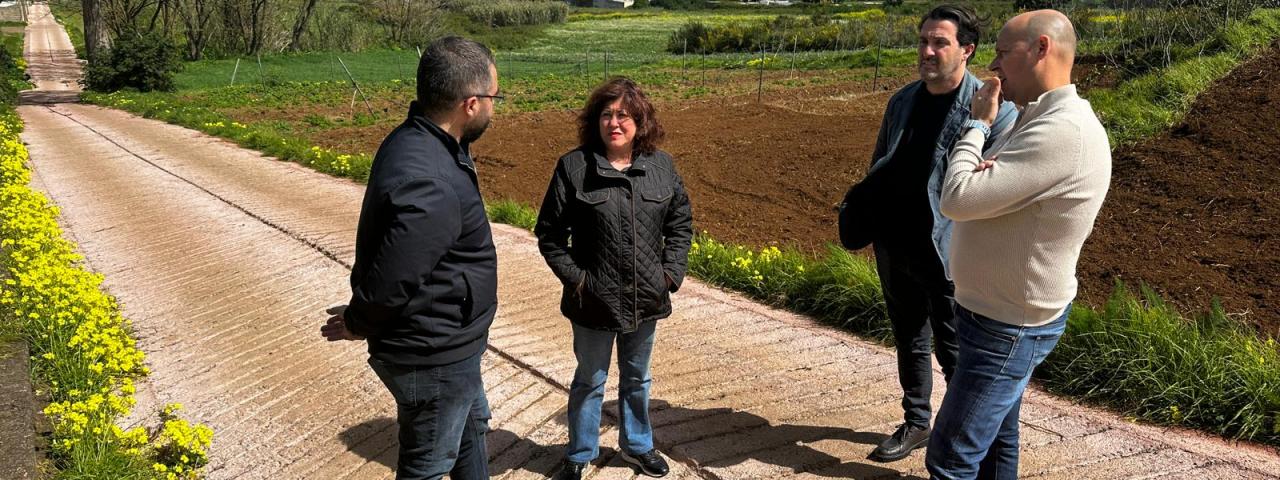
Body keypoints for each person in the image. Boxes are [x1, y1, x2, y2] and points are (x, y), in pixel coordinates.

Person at [928, 10, 1111, 479]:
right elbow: (983, 188)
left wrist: (977, 125)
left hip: (1009, 326)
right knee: (994, 441)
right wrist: (982, 169)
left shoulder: (1062, 132)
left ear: (1041, 49)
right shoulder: (1037, 119)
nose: (994, 65)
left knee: (950, 456)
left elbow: (958, 197)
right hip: (993, 313)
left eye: (1004, 52)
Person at [838, 4, 1017, 463]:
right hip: (896, 245)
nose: (928, 51)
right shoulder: (902, 100)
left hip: (950, 250)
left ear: (967, 50)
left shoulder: (993, 108)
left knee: (956, 346)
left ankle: (961, 437)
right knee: (909, 338)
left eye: (940, 42)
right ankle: (918, 422)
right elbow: (881, 163)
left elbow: (991, 185)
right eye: (923, 41)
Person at [319, 36, 502, 480]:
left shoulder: (423, 139)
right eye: (495, 98)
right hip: (433, 353)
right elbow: (394, 278)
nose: (497, 108)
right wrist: (359, 321)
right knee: (427, 465)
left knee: (470, 431)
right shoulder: (431, 178)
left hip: (450, 341)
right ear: (471, 104)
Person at [534, 77, 693, 480]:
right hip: (593, 300)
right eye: (606, 114)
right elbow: (550, 235)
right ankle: (580, 452)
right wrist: (579, 280)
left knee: (638, 377)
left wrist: (669, 274)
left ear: (641, 121)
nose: (614, 123)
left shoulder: (662, 166)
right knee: (590, 378)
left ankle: (638, 445)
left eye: (624, 115)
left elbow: (680, 223)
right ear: (595, 121)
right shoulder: (574, 167)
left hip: (646, 297)